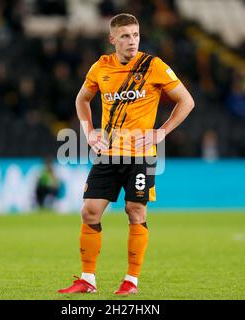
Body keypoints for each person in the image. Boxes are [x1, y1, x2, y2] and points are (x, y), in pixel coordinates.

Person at [58, 13, 195, 295]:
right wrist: (88, 131)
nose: (132, 41)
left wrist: (161, 132)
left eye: (135, 35)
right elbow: (82, 99)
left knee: (135, 211)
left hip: (141, 155)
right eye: (125, 36)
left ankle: (131, 281)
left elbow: (186, 101)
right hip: (109, 153)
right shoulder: (101, 67)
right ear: (113, 39)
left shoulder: (152, 66)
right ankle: (87, 279)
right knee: (90, 211)